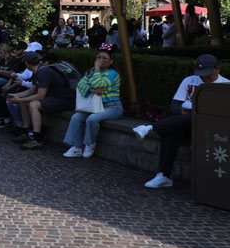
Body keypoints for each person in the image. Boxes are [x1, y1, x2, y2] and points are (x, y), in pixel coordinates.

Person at [134, 54, 227, 188]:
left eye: (208, 74)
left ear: (217, 69)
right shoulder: (189, 80)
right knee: (172, 132)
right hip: (186, 124)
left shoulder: (225, 85)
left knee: (189, 118)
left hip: (208, 126)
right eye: (201, 74)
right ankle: (164, 176)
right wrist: (181, 110)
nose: (204, 77)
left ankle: (150, 128)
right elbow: (175, 105)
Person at [61, 44, 122, 158]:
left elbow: (97, 83)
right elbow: (80, 84)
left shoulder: (113, 74)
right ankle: (76, 147)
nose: (100, 60)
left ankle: (90, 143)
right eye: (98, 57)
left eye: (104, 58)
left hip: (112, 107)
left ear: (111, 61)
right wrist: (91, 89)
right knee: (76, 117)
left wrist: (97, 71)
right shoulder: (91, 71)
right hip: (93, 106)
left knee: (92, 119)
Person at [5, 51, 76, 149]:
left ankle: (37, 139)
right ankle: (26, 132)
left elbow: (40, 96)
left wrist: (20, 100)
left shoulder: (43, 72)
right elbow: (31, 90)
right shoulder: (38, 71)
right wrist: (16, 96)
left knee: (34, 104)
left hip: (65, 100)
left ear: (26, 63)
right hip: (55, 97)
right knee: (24, 102)